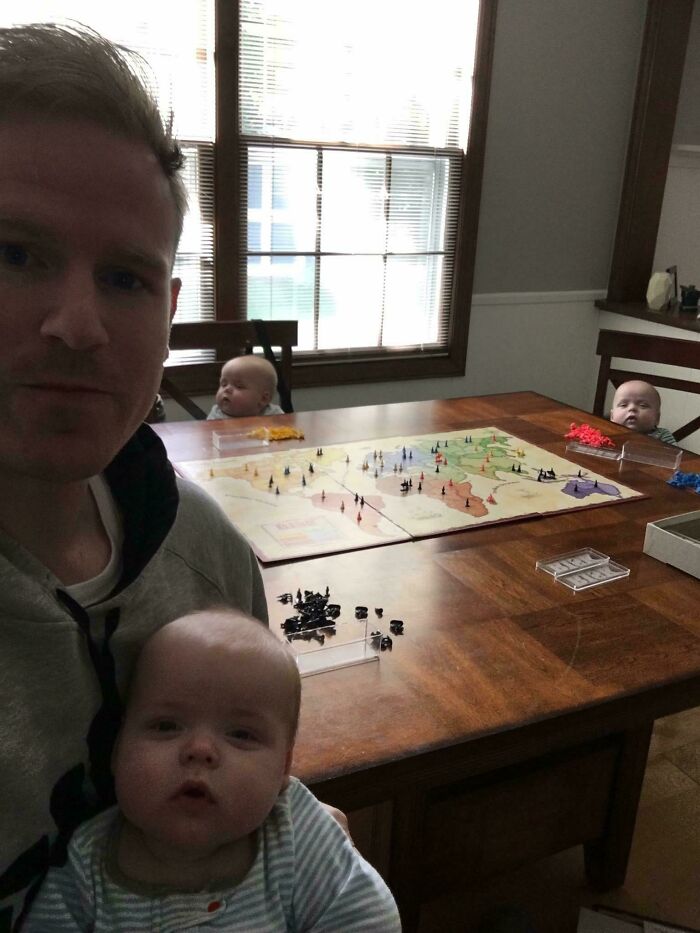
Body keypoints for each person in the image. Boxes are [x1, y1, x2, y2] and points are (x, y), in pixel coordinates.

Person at [0, 23, 268, 929]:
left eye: (125, 277)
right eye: (14, 254)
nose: (79, 323)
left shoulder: (209, 560)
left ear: (170, 311)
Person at [24, 609, 401, 932]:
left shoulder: (296, 834)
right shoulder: (86, 866)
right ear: (115, 750)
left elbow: (370, 918)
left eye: (240, 734)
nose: (200, 750)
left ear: (283, 768)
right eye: (166, 726)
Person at [208, 354, 284, 419]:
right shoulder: (216, 414)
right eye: (223, 384)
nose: (227, 389)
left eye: (239, 386)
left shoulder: (274, 415)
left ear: (263, 399)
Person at [609, 379, 677, 445]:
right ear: (612, 416)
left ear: (657, 418)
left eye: (643, 405)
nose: (632, 408)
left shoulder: (662, 436)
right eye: (623, 405)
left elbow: (674, 455)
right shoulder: (606, 432)